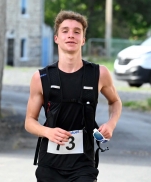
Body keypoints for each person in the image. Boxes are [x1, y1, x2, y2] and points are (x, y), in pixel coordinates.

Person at [25, 10, 122, 182]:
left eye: (77, 31)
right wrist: (47, 132)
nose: (71, 35)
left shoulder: (99, 73)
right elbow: (29, 122)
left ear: (83, 40)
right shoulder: (41, 78)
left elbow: (115, 101)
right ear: (56, 38)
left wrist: (111, 124)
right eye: (65, 31)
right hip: (50, 163)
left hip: (83, 163)